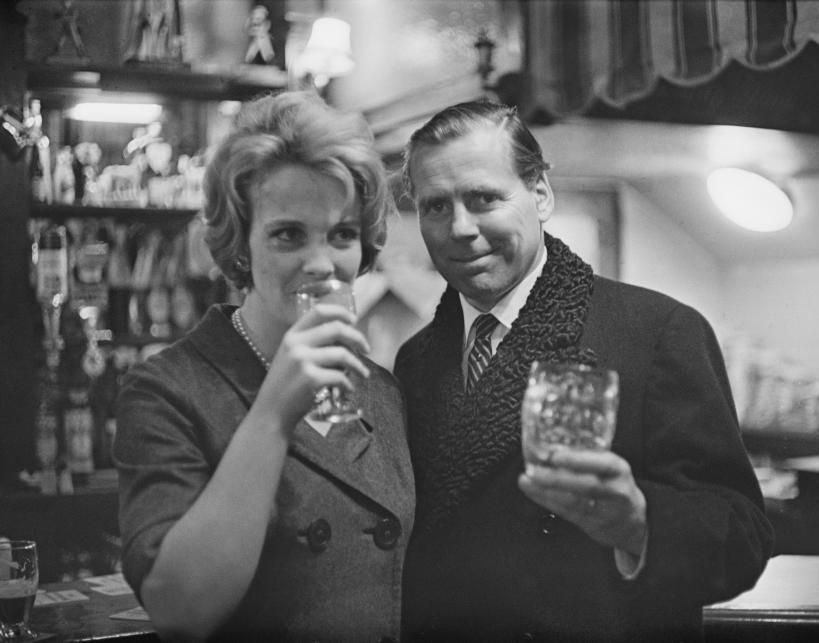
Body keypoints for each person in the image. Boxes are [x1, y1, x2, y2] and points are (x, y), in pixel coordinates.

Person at [394, 100, 774, 642]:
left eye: (483, 199)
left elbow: (745, 537)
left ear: (540, 194)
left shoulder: (658, 332)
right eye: (435, 207)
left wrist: (639, 522)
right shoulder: (415, 359)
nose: (460, 228)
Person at [114, 91, 413, 641]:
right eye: (288, 234)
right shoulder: (167, 392)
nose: (322, 263)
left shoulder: (381, 390)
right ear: (240, 247)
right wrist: (273, 413)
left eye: (342, 234)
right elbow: (178, 611)